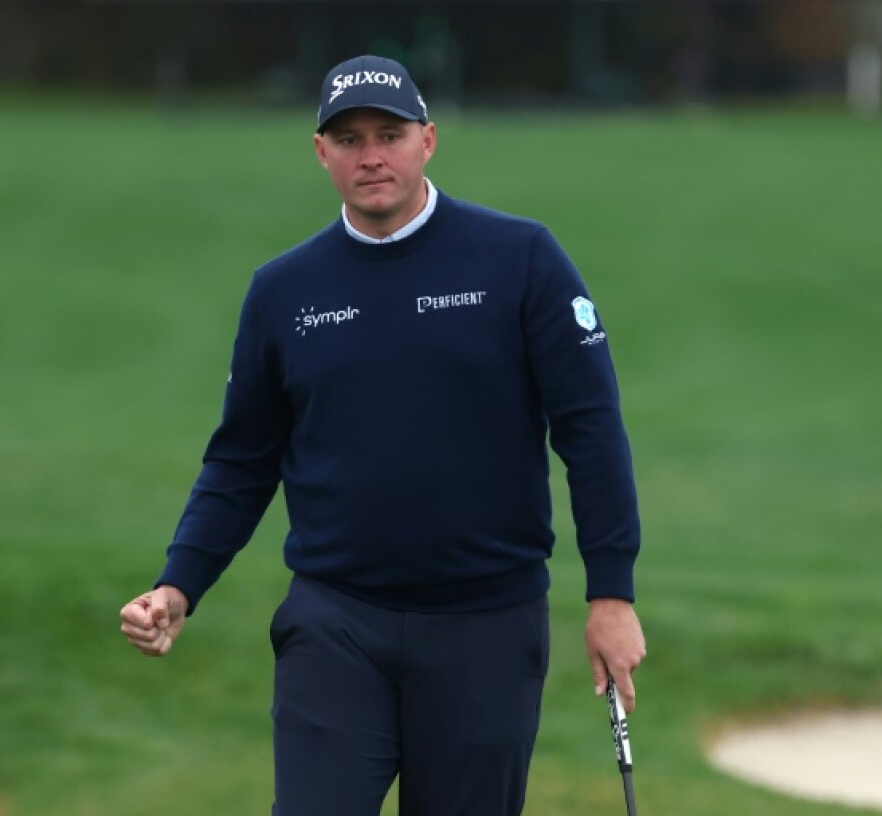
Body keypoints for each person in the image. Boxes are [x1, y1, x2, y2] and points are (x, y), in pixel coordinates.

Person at [119, 54, 645, 816]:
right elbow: (242, 458)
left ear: (427, 141)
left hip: (485, 624)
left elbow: (590, 430)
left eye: (390, 134)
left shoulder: (520, 259)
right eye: (350, 137)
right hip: (336, 621)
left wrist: (612, 592)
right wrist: (179, 582)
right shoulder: (283, 291)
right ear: (320, 152)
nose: (371, 155)